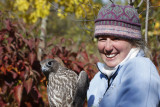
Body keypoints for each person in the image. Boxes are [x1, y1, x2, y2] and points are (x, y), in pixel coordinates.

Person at [87, 3, 160, 107]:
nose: (107, 47)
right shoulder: (98, 79)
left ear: (133, 41)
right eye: (102, 39)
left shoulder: (140, 68)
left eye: (116, 38)